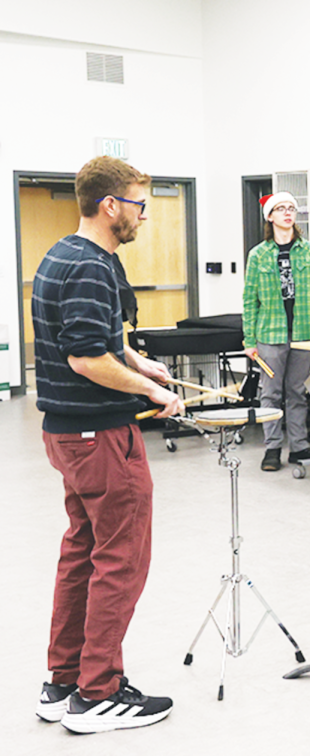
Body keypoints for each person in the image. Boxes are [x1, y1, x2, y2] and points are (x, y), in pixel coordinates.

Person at [32, 156, 183, 732]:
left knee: (81, 554)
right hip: (98, 436)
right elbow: (84, 357)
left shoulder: (60, 254)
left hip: (66, 434)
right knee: (121, 560)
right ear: (111, 205)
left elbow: (95, 341)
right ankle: (98, 693)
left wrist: (139, 361)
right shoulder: (93, 267)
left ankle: (63, 681)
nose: (143, 218)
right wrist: (148, 389)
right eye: (139, 206)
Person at [243, 191, 310, 472]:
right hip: (269, 334)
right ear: (270, 217)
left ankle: (298, 445)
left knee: (296, 391)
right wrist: (248, 340)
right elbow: (249, 299)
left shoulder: (309, 251)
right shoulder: (258, 255)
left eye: (291, 208)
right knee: (270, 393)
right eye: (281, 209)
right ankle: (272, 448)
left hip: (303, 333)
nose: (287, 213)